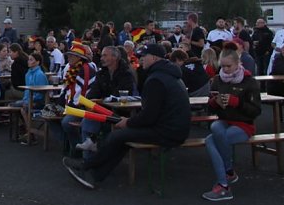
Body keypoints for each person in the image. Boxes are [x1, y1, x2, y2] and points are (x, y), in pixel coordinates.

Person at [63, 43, 190, 189]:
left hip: (168, 132)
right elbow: (151, 114)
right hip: (175, 129)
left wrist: (128, 122)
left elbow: (149, 116)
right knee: (121, 138)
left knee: (117, 136)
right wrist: (130, 122)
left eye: (144, 56)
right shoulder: (168, 75)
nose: (141, 59)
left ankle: (86, 167)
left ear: (154, 58)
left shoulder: (156, 80)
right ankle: (94, 174)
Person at [201, 48, 262, 201]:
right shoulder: (217, 80)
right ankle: (228, 173)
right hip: (224, 121)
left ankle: (224, 183)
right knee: (215, 127)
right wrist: (214, 102)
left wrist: (237, 102)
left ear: (237, 63)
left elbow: (256, 111)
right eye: (223, 66)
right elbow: (209, 107)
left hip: (244, 124)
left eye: (229, 66)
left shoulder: (249, 81)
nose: (226, 69)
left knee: (211, 140)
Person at [77, 45, 137, 154]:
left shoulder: (126, 74)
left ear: (114, 57)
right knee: (86, 116)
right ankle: (90, 152)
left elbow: (119, 95)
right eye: (102, 56)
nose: (101, 58)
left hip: (122, 112)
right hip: (103, 109)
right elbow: (93, 92)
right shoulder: (101, 73)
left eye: (105, 55)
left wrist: (99, 101)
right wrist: (90, 101)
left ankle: (92, 152)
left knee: (90, 118)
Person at [58, 41, 99, 149]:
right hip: (72, 105)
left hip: (83, 107)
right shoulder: (72, 68)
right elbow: (67, 89)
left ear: (79, 57)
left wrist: (68, 107)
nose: (69, 58)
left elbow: (83, 94)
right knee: (50, 116)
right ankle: (70, 146)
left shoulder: (85, 69)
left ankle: (77, 148)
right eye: (69, 55)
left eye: (72, 56)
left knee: (66, 122)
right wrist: (61, 103)